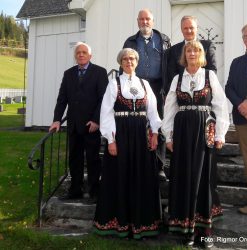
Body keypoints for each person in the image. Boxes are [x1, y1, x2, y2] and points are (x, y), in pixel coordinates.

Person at [162, 41, 229, 248]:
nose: (192, 53)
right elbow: (170, 109)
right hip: (182, 133)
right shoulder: (177, 78)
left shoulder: (210, 76)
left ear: (201, 54)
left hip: (203, 131)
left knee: (203, 178)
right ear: (184, 54)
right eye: (188, 50)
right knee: (184, 176)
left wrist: (220, 133)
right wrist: (169, 136)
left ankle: (204, 229)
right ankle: (187, 229)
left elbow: (220, 105)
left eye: (196, 50)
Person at [93, 48, 162, 239]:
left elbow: (153, 112)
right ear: (120, 62)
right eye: (125, 59)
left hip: (141, 135)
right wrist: (111, 140)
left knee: (142, 176)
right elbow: (106, 113)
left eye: (132, 59)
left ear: (137, 62)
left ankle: (142, 223)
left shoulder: (145, 84)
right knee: (119, 175)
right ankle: (119, 223)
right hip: (121, 135)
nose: (129, 62)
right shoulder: (113, 84)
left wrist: (155, 133)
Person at [49, 42, 109, 203]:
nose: (81, 55)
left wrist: (97, 120)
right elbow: (62, 99)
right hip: (74, 124)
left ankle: (94, 190)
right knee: (74, 158)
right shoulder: (68, 74)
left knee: (92, 158)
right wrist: (56, 120)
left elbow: (103, 99)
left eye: (84, 52)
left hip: (91, 125)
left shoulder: (99, 72)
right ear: (75, 56)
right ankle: (75, 189)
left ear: (90, 56)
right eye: (78, 53)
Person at [123, 8, 171, 180]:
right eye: (141, 19)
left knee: (160, 125)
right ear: (138, 21)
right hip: (138, 86)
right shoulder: (130, 41)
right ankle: (140, 163)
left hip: (159, 87)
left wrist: (168, 88)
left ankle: (159, 166)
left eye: (147, 19)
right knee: (138, 124)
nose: (144, 22)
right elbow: (125, 64)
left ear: (153, 21)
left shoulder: (164, 40)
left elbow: (170, 65)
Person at [225, 22, 247, 215]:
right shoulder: (236, 63)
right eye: (246, 36)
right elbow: (229, 88)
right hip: (242, 120)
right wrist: (241, 104)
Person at [165, 15, 217, 95]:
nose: (188, 31)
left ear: (197, 28)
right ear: (181, 30)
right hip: (182, 95)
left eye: (191, 28)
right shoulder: (173, 50)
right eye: (185, 28)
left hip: (204, 94)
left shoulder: (207, 46)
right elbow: (172, 74)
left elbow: (212, 69)